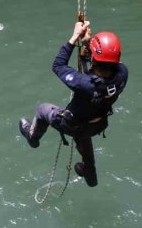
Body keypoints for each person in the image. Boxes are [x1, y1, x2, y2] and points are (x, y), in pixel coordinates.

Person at [18, 21, 128, 187]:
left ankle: (32, 138)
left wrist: (74, 37)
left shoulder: (84, 84)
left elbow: (58, 66)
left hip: (73, 125)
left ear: (95, 59)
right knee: (83, 131)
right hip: (98, 124)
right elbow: (105, 64)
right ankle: (90, 174)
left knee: (42, 110)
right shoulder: (122, 74)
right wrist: (87, 45)